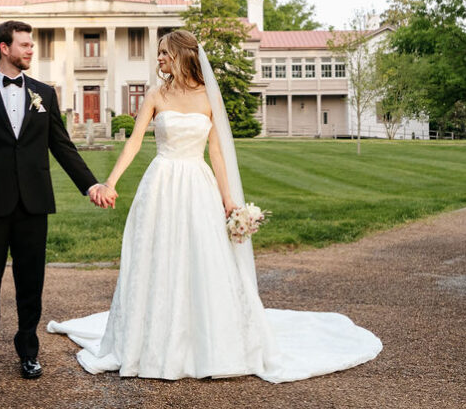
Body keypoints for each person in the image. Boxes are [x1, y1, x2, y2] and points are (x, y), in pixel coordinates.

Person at [48, 30, 382, 383]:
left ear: (181, 55)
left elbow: (218, 154)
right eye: (158, 53)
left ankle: (203, 340)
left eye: (164, 53)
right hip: (160, 183)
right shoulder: (156, 95)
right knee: (156, 255)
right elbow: (133, 144)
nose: (158, 59)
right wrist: (111, 182)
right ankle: (151, 339)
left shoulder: (209, 97)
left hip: (197, 183)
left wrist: (228, 200)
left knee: (201, 257)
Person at [0, 20, 116, 383]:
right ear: (4, 48)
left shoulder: (44, 93)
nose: (31, 50)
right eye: (25, 45)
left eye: (31, 45)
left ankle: (28, 352)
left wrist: (90, 185)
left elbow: (62, 146)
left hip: (34, 205)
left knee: (31, 284)